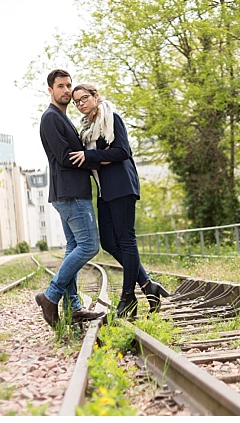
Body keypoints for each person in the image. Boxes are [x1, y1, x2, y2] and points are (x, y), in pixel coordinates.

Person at [69, 84, 169, 319]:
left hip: (121, 187)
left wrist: (91, 156)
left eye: (84, 98)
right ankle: (147, 285)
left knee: (125, 240)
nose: (81, 104)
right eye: (77, 101)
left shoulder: (111, 118)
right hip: (105, 191)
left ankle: (128, 297)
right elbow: (101, 158)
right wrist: (93, 159)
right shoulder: (87, 128)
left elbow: (122, 151)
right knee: (108, 242)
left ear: (95, 97)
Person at [35, 70, 106, 328]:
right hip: (70, 192)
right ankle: (50, 296)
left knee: (73, 247)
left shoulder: (62, 118)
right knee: (88, 246)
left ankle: (73, 307)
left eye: (69, 86)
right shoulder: (50, 118)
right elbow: (66, 156)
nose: (66, 91)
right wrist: (94, 159)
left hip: (70, 191)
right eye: (61, 86)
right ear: (51, 90)